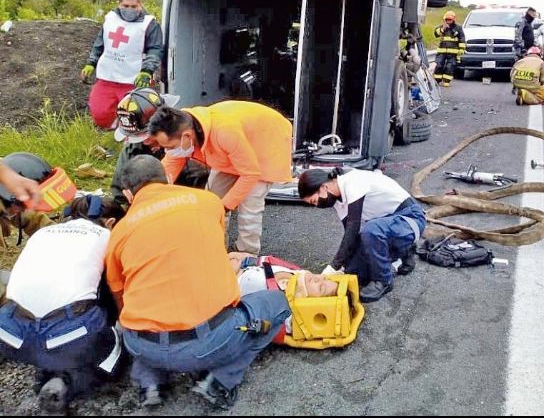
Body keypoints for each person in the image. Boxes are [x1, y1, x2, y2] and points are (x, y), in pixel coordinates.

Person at [105, 155, 290, 409]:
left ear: (128, 194)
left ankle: (150, 383)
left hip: (143, 346)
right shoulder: (209, 202)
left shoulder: (119, 233)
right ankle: (219, 381)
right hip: (209, 343)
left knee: (140, 325)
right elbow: (213, 248)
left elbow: (120, 298)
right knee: (277, 302)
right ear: (167, 178)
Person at [0, 195, 125, 414]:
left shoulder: (42, 234)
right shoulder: (106, 236)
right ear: (111, 223)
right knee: (117, 345)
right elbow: (114, 297)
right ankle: (69, 383)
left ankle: (46, 368)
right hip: (65, 335)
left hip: (9, 334)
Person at [148, 101, 293, 255]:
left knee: (250, 205)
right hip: (235, 149)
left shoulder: (224, 131)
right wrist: (150, 193)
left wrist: (223, 206)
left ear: (187, 136)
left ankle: (246, 256)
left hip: (265, 142)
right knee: (211, 197)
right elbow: (169, 167)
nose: (167, 151)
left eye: (169, 147)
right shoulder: (181, 126)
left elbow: (250, 173)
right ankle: (216, 249)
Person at [298, 168, 427, 303]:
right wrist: (344, 268)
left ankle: (384, 281)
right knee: (354, 271)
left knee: (371, 230)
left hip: (411, 218)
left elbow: (353, 228)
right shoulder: (338, 202)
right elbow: (351, 239)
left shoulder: (352, 181)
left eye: (314, 201)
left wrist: (333, 266)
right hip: (390, 225)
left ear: (324, 187)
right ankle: (403, 251)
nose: (317, 205)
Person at [80, 0, 163, 129]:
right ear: (119, 4)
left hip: (134, 81)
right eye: (125, 6)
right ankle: (116, 134)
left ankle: (134, 144)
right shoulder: (110, 19)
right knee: (100, 114)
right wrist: (91, 63)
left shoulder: (149, 24)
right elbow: (100, 43)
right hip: (107, 77)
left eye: (133, 6)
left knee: (137, 118)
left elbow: (155, 49)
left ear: (140, 5)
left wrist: (147, 71)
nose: (129, 9)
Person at [110, 88, 208, 203]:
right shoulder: (132, 152)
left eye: (145, 136)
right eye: (136, 137)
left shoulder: (187, 144)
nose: (144, 141)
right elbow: (119, 193)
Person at [433, 11, 466, 87]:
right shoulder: (442, 27)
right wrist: (442, 29)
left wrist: (461, 49)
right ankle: (437, 81)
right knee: (439, 65)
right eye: (447, 19)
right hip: (442, 51)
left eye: (450, 19)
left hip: (453, 52)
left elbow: (462, 38)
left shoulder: (458, 28)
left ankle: (447, 81)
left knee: (449, 67)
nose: (448, 21)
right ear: (444, 19)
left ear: (453, 19)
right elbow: (436, 34)